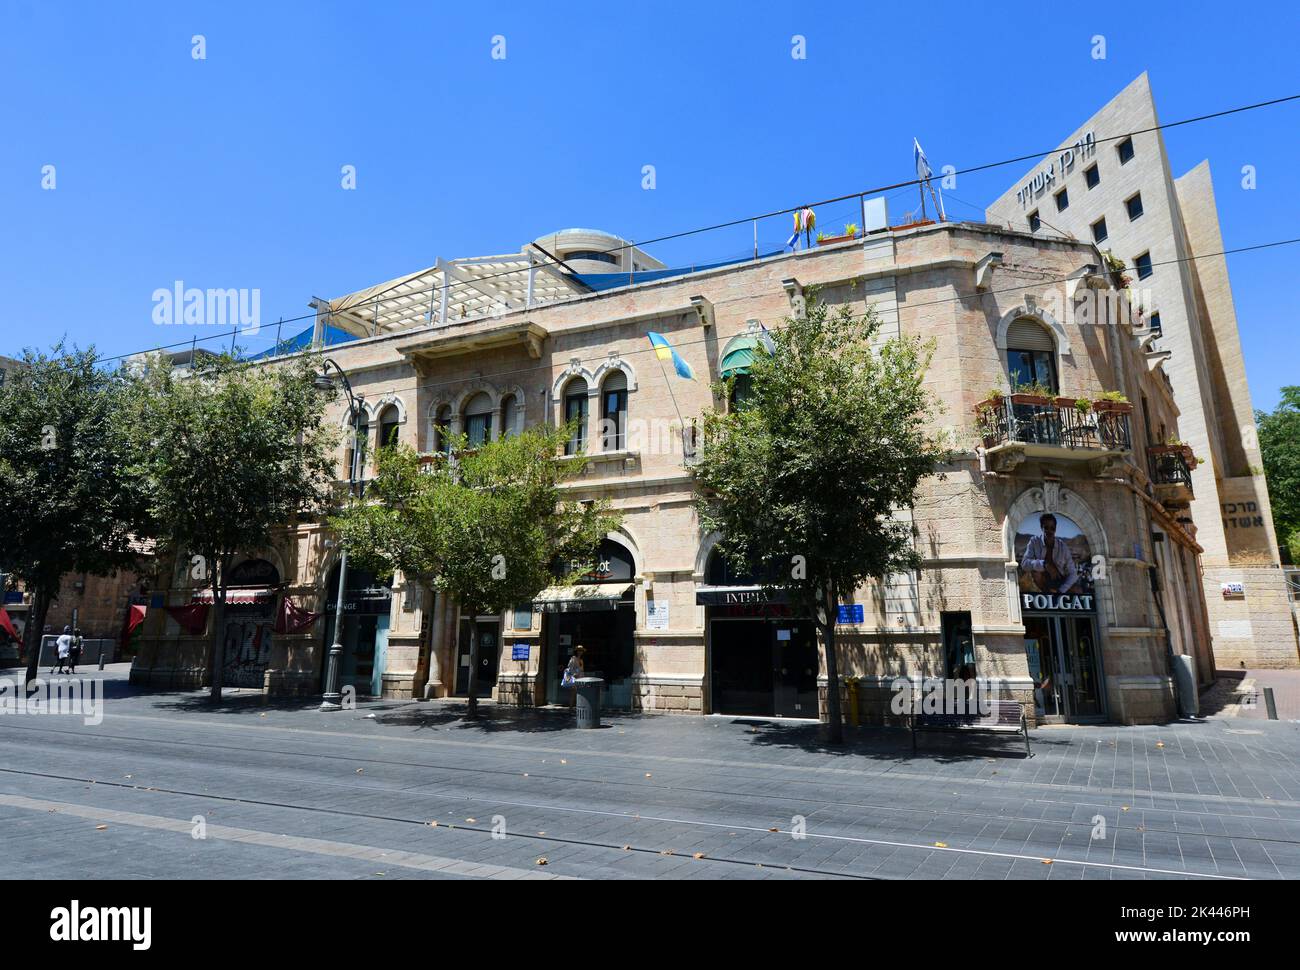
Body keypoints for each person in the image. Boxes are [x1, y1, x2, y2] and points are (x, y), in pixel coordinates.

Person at [1019, 513, 1080, 594]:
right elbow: (1024, 564)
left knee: (1078, 590)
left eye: (1052, 528)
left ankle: (1055, 595)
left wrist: (1061, 590)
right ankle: (1046, 595)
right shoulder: (1034, 541)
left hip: (1059, 582)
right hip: (1042, 581)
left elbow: (1073, 573)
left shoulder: (1062, 547)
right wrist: (1044, 564)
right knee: (1036, 572)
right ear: (1041, 528)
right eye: (1046, 528)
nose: (1049, 531)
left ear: (1055, 529)